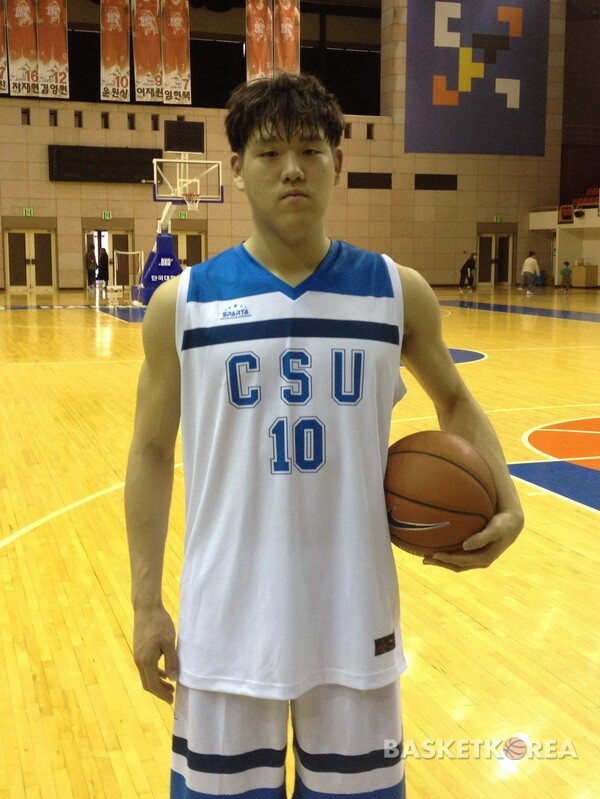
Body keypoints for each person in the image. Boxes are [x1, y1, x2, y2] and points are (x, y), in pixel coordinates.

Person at [125, 73, 524, 799]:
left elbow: (456, 401)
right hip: (224, 629)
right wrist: (146, 603)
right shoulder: (181, 305)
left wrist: (508, 500)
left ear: (337, 162)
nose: (292, 169)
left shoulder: (395, 291)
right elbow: (150, 453)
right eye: (269, 152)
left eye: (310, 150)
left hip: (355, 624)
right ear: (236, 168)